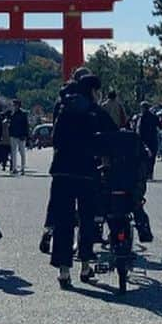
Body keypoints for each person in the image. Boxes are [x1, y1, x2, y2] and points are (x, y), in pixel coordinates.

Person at [48, 69, 116, 288]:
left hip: (62, 170)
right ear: (94, 91)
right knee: (87, 219)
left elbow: (56, 138)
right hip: (87, 171)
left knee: (63, 220)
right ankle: (85, 265)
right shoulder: (96, 112)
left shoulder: (64, 108)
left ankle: (64, 270)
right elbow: (113, 137)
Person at [138, 101, 160, 179]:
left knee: (144, 157)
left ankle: (146, 173)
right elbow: (160, 125)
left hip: (144, 140)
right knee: (152, 157)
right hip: (153, 139)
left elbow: (139, 130)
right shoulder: (154, 116)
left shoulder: (142, 117)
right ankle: (150, 172)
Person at [9, 99, 30, 175]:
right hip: (13, 135)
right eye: (13, 105)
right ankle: (14, 168)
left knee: (22, 152)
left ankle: (22, 168)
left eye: (15, 105)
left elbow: (26, 125)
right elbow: (10, 125)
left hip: (21, 135)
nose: (14, 106)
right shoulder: (12, 114)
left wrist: (26, 135)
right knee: (13, 152)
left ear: (18, 105)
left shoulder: (23, 114)